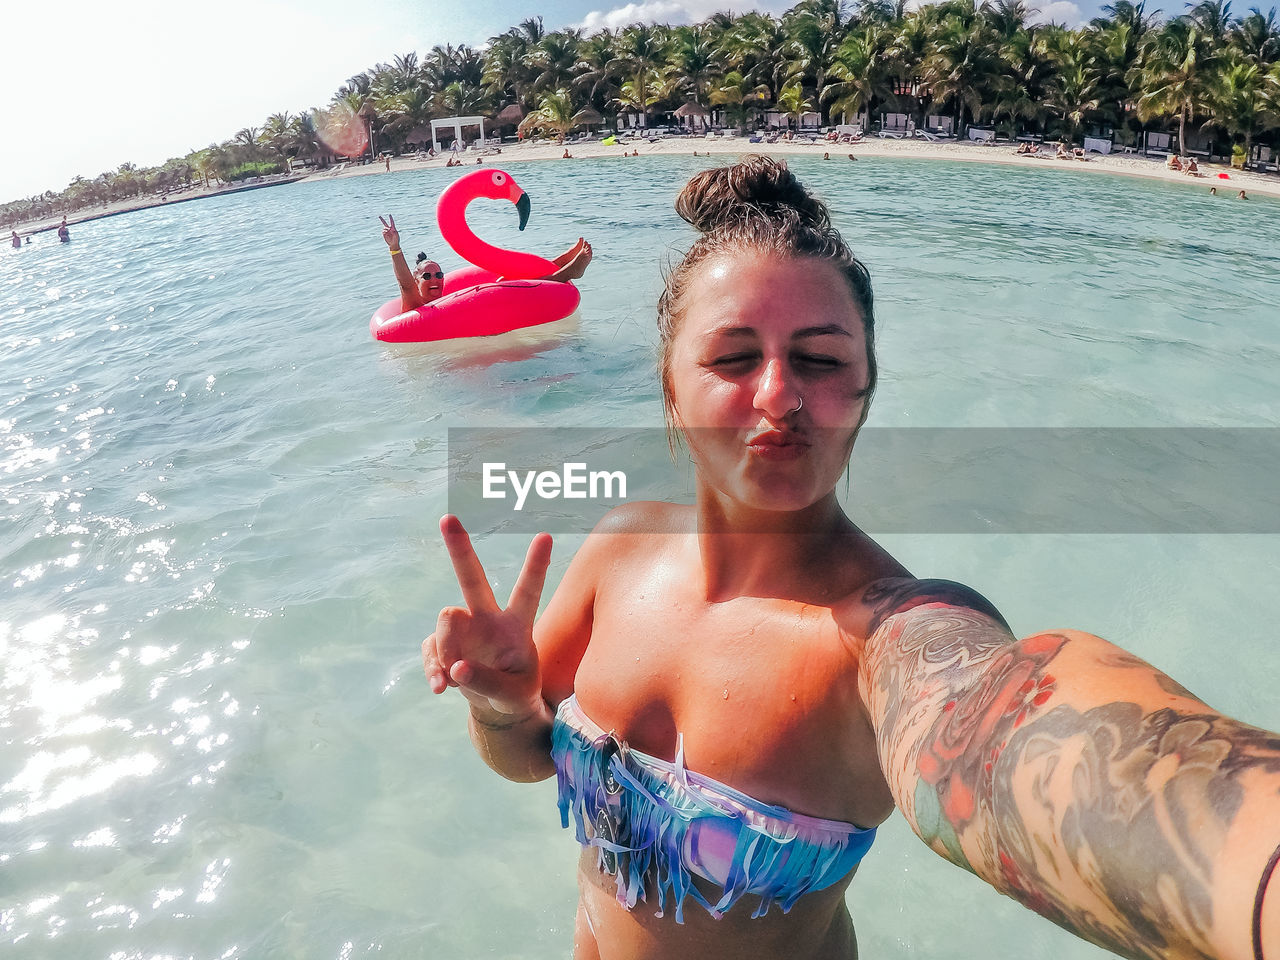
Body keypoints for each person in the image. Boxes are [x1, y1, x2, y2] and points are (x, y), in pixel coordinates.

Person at [423, 156, 1280, 960]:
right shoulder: (619, 551)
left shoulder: (883, 634)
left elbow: (1009, 737)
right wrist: (501, 707)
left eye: (821, 360)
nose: (779, 397)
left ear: (866, 388)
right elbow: (531, 757)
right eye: (731, 358)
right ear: (670, 384)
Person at [378, 213, 592, 312]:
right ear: (417, 280)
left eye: (439, 275)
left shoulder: (446, 299)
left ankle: (558, 264)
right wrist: (394, 247)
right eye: (427, 276)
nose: (435, 280)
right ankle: (565, 273)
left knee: (503, 280)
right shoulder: (414, 303)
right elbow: (405, 282)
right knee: (506, 289)